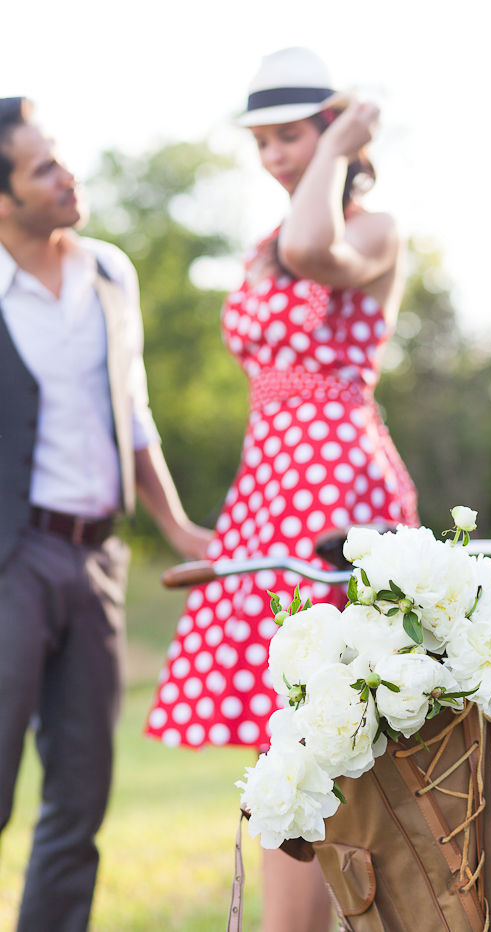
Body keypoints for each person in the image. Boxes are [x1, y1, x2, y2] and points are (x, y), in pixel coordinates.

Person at [145, 48, 419, 932]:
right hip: (269, 478)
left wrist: (342, 137)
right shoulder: (262, 243)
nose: (274, 157)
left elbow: (313, 246)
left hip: (336, 478)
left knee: (330, 720)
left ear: (334, 133)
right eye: (262, 143)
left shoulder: (371, 231)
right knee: (282, 730)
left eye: (290, 137)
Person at [0, 98, 213, 932]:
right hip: (13, 558)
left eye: (62, 159)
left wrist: (176, 523)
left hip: (97, 561)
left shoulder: (111, 272)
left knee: (81, 794)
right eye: (41, 168)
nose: (66, 176)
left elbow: (133, 414)